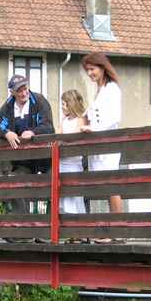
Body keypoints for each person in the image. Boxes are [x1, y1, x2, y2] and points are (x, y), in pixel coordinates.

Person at [0, 74, 54, 217]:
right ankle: (22, 231)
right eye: (19, 90)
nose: (24, 92)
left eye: (25, 88)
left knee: (51, 189)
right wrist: (7, 133)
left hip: (45, 158)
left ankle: (47, 233)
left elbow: (48, 126)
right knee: (16, 183)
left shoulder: (39, 101)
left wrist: (33, 132)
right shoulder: (7, 107)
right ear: (12, 92)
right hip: (23, 160)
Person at [80, 52, 123, 243]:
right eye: (87, 70)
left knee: (111, 186)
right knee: (106, 187)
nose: (90, 73)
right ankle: (112, 230)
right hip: (99, 144)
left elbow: (114, 117)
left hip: (108, 142)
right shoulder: (100, 89)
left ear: (102, 67)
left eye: (92, 69)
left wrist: (94, 128)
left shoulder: (112, 89)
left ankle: (117, 231)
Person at [58, 89, 87, 218]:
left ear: (71, 104)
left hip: (73, 163)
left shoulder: (80, 119)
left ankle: (77, 231)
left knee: (74, 197)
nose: (62, 107)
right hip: (62, 162)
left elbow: (74, 137)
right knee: (64, 197)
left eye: (64, 104)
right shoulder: (64, 120)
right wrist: (62, 120)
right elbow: (58, 136)